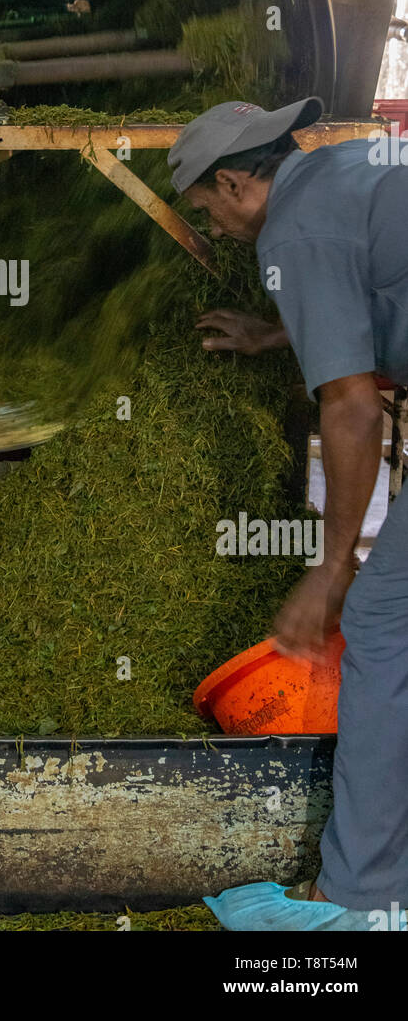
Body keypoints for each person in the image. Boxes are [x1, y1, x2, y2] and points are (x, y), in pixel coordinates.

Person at [167, 98, 408, 931]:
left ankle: (361, 893)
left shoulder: (291, 232)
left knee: (382, 622)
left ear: (234, 182)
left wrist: (329, 569)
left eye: (208, 213)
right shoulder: (348, 169)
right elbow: (373, 280)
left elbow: (349, 409)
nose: (220, 231)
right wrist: (280, 334)